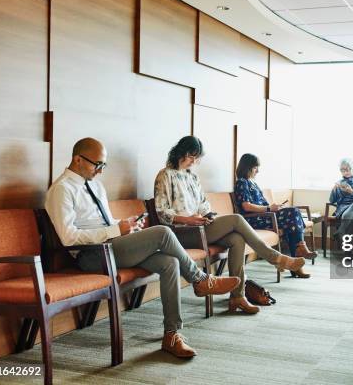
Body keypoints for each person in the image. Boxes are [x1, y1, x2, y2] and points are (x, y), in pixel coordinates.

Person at [45, 138, 240, 359]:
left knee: (170, 263)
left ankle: (171, 334)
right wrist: (115, 230)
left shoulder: (96, 186)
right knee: (163, 232)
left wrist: (126, 225)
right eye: (96, 165)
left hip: (112, 248)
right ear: (78, 159)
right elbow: (68, 238)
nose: (100, 171)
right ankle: (200, 279)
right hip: (91, 255)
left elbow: (106, 223)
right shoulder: (61, 190)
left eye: (103, 166)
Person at [154, 136, 305, 314]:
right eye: (190, 156)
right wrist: (189, 220)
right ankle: (275, 258)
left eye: (196, 158)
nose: (193, 161)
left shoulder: (192, 177)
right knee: (236, 219)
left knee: (237, 239)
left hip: (200, 227)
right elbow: (161, 212)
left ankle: (237, 297)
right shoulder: (165, 175)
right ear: (180, 152)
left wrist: (208, 215)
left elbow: (204, 205)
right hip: (182, 232)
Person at [234, 153, 317, 279]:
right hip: (252, 219)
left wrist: (275, 208)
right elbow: (246, 206)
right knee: (293, 213)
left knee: (293, 219)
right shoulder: (241, 182)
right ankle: (299, 254)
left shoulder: (253, 183)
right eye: (256, 167)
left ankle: (298, 257)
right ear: (248, 167)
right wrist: (269, 208)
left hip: (265, 216)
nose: (258, 171)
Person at [329, 158, 353, 240]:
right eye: (343, 170)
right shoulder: (339, 183)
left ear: (352, 168)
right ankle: (347, 250)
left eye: (348, 170)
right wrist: (334, 190)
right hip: (344, 208)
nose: (345, 172)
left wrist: (352, 191)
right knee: (350, 217)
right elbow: (332, 200)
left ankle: (341, 230)